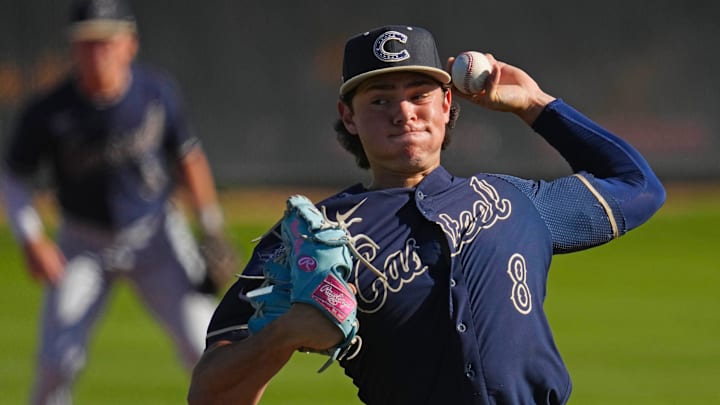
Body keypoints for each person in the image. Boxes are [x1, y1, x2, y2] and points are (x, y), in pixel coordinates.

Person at [187, 25, 666, 405]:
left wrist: (537, 106)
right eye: (379, 100)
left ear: (447, 104)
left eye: (419, 94)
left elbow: (637, 188)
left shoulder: (516, 201)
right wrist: (284, 333)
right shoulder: (314, 235)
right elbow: (210, 393)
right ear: (348, 116)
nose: (404, 112)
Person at [0, 0, 236, 403]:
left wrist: (211, 226)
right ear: (73, 49)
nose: (98, 52)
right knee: (57, 363)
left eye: (107, 41)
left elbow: (188, 158)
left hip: (156, 235)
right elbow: (13, 176)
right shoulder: (50, 110)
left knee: (206, 347)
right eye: (87, 43)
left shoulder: (156, 93)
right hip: (82, 242)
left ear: (130, 44)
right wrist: (31, 237)